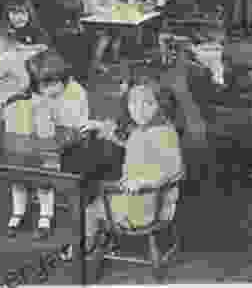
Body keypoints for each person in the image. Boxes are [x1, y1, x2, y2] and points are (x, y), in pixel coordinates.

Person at [58, 78, 183, 259]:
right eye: (133, 103)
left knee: (90, 207)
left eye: (148, 103)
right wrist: (101, 126)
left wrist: (143, 182)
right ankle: (102, 239)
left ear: (162, 105)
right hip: (145, 197)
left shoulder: (164, 135)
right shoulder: (147, 129)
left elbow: (173, 169)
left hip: (148, 203)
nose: (138, 109)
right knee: (102, 190)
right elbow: (129, 141)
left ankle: (87, 246)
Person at [7, 50, 90, 240]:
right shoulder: (38, 90)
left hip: (72, 146)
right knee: (17, 160)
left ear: (62, 77)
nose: (47, 90)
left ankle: (46, 214)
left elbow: (73, 129)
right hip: (44, 141)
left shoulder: (76, 93)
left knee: (42, 164)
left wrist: (46, 113)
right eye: (42, 86)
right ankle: (18, 210)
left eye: (52, 84)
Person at [157, 0, 227, 88]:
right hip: (199, 30)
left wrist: (159, 7)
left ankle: (165, 64)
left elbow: (169, 13)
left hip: (186, 30)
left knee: (159, 32)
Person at [80, 0, 122, 74]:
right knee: (104, 36)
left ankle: (114, 58)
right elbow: (94, 9)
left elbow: (113, 3)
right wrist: (109, 10)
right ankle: (95, 63)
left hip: (99, 20)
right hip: (88, 21)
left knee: (116, 30)